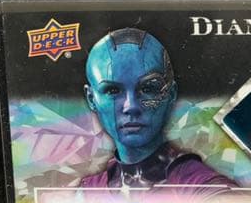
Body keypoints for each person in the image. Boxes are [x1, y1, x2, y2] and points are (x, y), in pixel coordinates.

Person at [79, 26, 233, 190]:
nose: (131, 106)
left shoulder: (201, 185)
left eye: (148, 89)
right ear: (91, 98)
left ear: (171, 94)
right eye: (113, 91)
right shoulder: (88, 190)